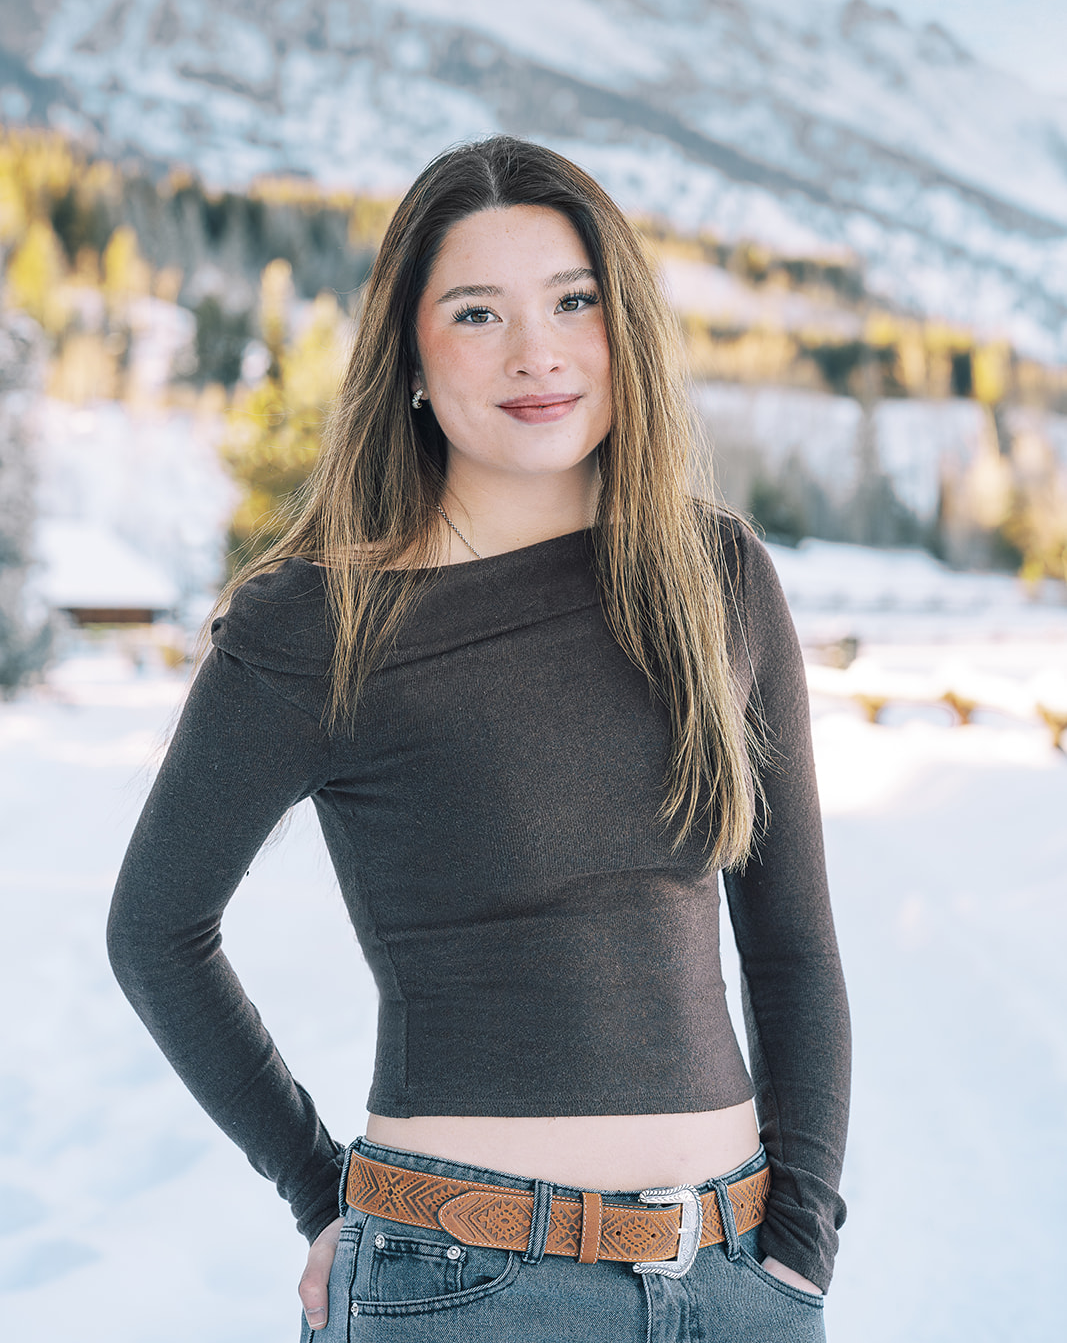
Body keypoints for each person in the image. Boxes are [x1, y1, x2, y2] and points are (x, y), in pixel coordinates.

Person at [108, 135, 849, 1342]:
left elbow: (795, 953)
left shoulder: (717, 577)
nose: (536, 352)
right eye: (474, 313)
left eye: (572, 301)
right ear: (408, 350)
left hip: (731, 1278)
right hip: (464, 1286)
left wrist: (797, 1255)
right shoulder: (318, 623)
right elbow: (156, 933)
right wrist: (318, 1191)